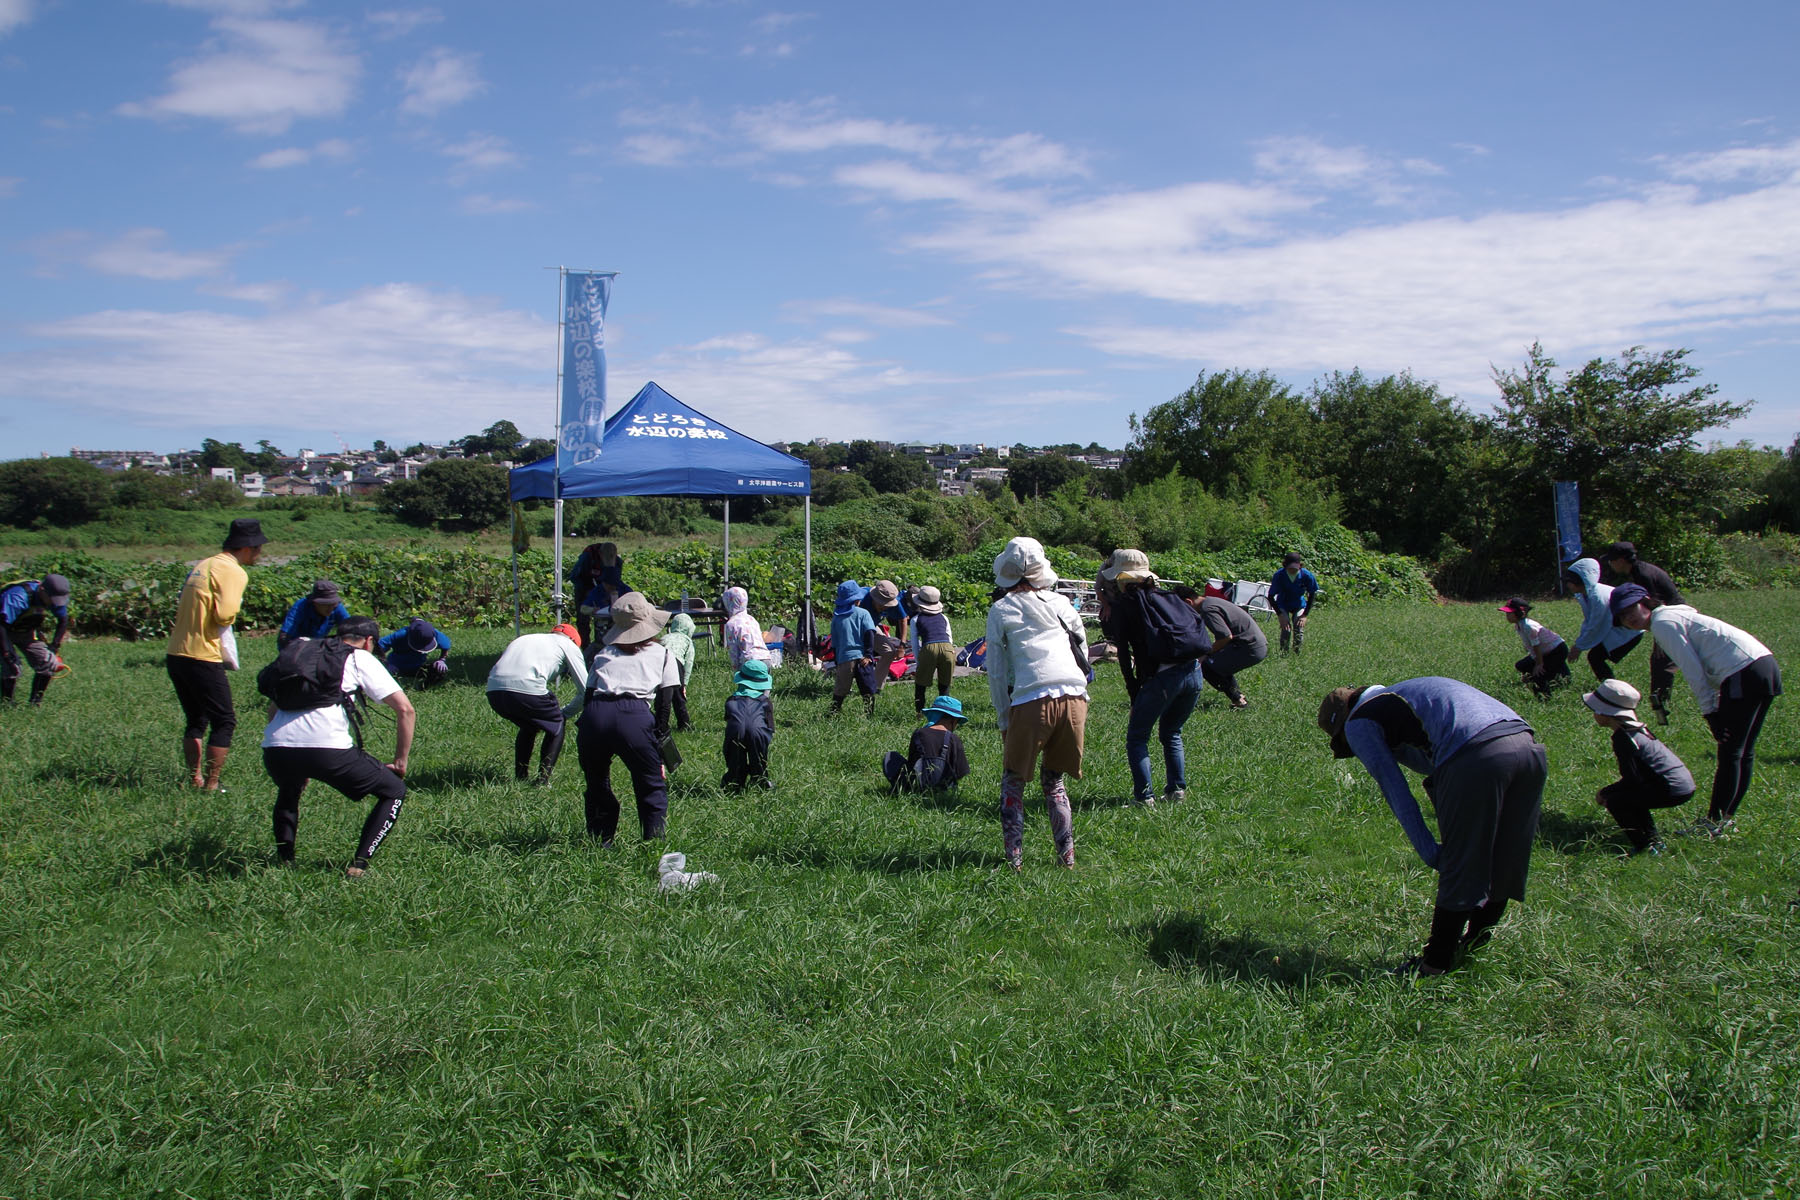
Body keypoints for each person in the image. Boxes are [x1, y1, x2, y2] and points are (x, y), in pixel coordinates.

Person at [1318, 677, 1546, 975]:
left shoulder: (1358, 721)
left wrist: (1430, 852)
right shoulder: (1404, 695)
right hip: (1526, 746)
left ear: (1343, 723)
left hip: (1478, 757)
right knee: (1504, 857)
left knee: (1460, 865)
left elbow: (1395, 789)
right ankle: (1472, 947)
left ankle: (1434, 965)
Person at [1611, 583, 1781, 836]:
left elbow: (1692, 670)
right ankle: (1724, 820)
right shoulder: (1672, 615)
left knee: (1731, 752)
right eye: (1622, 616)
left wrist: (1710, 713)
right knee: (1742, 752)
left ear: (1645, 602)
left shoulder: (1663, 622)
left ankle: (1713, 823)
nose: (1629, 618)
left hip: (1743, 672)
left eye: (1630, 609)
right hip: (1762, 665)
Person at [260, 615, 415, 878]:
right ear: (369, 641)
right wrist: (400, 761)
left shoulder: (305, 652)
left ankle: (284, 860)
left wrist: (291, 750)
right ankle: (359, 865)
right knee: (394, 791)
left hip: (275, 747)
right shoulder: (359, 657)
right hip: (328, 749)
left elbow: (272, 709)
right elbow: (405, 710)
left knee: (289, 789)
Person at [986, 536, 1088, 870]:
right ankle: (1067, 858)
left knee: (1013, 780)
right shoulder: (1062, 604)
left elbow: (996, 672)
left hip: (1032, 698)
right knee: (1054, 782)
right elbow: (1082, 649)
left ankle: (1014, 861)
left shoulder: (1002, 609)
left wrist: (1004, 720)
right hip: (1075, 697)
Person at [166, 518, 265, 790]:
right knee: (225, 720)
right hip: (202, 654)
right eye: (258, 549)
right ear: (247, 548)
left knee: (196, 719)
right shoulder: (234, 572)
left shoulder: (204, 565)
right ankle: (212, 784)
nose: (260, 554)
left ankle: (194, 778)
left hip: (176, 653)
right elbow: (224, 615)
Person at [576, 592, 681, 846]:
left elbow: (589, 695)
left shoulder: (604, 653)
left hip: (595, 714)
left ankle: (601, 840)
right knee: (650, 783)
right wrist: (659, 742)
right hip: (634, 716)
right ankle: (652, 843)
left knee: (597, 782)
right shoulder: (663, 654)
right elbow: (664, 704)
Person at [1110, 554, 1203, 807]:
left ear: (1122, 579)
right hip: (1194, 671)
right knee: (1172, 732)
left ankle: (1144, 797)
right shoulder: (1169, 597)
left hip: (1163, 679)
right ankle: (1177, 791)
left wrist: (1134, 695)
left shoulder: (1126, 605)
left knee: (1137, 738)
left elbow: (1123, 653)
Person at [1583, 678, 1695, 855]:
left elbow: (1632, 780)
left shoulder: (1623, 739)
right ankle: (1653, 840)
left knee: (1616, 801)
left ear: (1605, 713)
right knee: (1633, 797)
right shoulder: (1637, 730)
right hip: (1682, 784)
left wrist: (1605, 792)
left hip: (1671, 787)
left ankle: (1644, 846)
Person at [485, 623, 588, 785]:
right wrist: (565, 713)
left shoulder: (524, 639)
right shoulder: (568, 645)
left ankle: (521, 777)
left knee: (529, 725)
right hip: (527, 688)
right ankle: (542, 781)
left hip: (494, 692)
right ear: (574, 641)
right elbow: (587, 690)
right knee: (556, 725)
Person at [1603, 541, 1683, 723]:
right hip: (1668, 618)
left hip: (1673, 617)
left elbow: (1653, 603)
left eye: (1611, 560)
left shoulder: (1642, 574)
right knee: (1660, 660)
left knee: (1661, 661)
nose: (1610, 564)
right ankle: (1659, 703)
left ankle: (1660, 706)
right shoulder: (1639, 570)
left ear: (1621, 560)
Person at [1174, 583, 1266, 709]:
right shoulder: (1209, 601)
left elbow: (1225, 637)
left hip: (1250, 647)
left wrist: (1205, 654)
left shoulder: (1207, 610)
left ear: (1188, 602)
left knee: (1206, 665)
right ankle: (1239, 698)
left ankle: (1239, 701)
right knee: (1217, 664)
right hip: (1253, 644)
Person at [1563, 557, 1644, 682]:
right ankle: (1608, 686)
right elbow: (1589, 621)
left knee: (1595, 657)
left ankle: (1611, 688)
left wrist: (1579, 647)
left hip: (1629, 630)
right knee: (1596, 657)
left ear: (1580, 580)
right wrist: (1580, 643)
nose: (1568, 584)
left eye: (1570, 580)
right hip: (1618, 628)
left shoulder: (1598, 596)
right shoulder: (1585, 594)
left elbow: (1597, 625)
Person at [1, 572, 71, 706]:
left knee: (48, 662)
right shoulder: (18, 597)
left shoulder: (55, 596)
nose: (55, 603)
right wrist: (6, 652)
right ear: (42, 590)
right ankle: (6, 704)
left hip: (25, 632)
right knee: (12, 665)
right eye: (52, 599)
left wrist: (54, 645)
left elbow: (63, 620)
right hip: (3, 630)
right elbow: (2, 625)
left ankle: (35, 703)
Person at [883, 695, 971, 793]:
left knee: (891, 756)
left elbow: (912, 762)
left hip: (918, 784)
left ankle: (903, 788)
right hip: (943, 788)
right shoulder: (954, 739)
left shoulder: (919, 733)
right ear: (953, 720)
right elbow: (961, 772)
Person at [1095, 550, 1143, 701]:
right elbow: (1098, 588)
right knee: (1119, 640)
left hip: (1133, 605)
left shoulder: (1139, 571)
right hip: (1113, 603)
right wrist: (1106, 606)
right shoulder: (1104, 568)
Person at [722, 658, 775, 790]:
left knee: (735, 759)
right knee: (759, 759)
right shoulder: (765, 702)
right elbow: (770, 726)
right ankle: (760, 781)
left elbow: (729, 719)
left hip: (735, 732)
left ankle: (734, 783)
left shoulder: (731, 700)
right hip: (758, 733)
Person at [1499, 597, 1570, 695]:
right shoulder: (1519, 625)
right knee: (1521, 665)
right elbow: (1531, 646)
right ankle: (1561, 673)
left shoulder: (1528, 626)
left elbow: (1536, 646)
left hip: (1557, 651)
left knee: (1539, 675)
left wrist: (1539, 664)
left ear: (1520, 613)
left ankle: (1545, 696)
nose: (1507, 616)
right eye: (1506, 613)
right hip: (1545, 651)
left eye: (1509, 613)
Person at [828, 579, 879, 716]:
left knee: (841, 689)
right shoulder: (863, 613)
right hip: (863, 658)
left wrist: (837, 660)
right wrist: (868, 654)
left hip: (844, 658)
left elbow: (834, 642)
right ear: (857, 600)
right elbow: (869, 633)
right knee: (867, 689)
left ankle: (833, 713)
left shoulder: (837, 617)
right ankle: (869, 715)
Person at [908, 585, 956, 715]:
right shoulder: (944, 618)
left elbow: (914, 642)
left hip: (929, 648)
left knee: (920, 684)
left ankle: (919, 713)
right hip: (948, 648)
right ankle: (944, 713)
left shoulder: (915, 619)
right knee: (944, 684)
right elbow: (949, 638)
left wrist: (918, 661)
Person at [569, 542, 627, 648]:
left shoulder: (618, 562)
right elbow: (574, 577)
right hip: (585, 586)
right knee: (583, 620)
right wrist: (589, 591)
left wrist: (611, 589)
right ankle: (585, 645)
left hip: (605, 587)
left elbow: (616, 580)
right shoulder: (587, 558)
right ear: (600, 554)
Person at [654, 612, 697, 738]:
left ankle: (660, 725)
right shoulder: (687, 640)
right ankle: (684, 723)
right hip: (676, 662)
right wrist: (685, 684)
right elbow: (688, 663)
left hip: (660, 661)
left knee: (663, 696)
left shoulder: (666, 636)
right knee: (678, 697)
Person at [864, 579, 911, 690]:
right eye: (882, 605)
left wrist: (902, 645)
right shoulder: (862, 600)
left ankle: (876, 687)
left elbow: (903, 619)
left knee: (889, 652)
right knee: (856, 656)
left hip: (872, 625)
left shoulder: (893, 602)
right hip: (855, 627)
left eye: (888, 605)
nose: (885, 607)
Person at [1268, 551, 1319, 654]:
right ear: (1285, 565)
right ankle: (1283, 653)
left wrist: (1304, 615)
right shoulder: (1279, 575)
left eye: (1295, 568)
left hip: (1298, 604)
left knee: (1298, 627)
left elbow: (1312, 594)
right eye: (1290, 568)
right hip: (1283, 603)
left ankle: (1297, 652)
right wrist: (1280, 615)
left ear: (1300, 566)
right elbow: (1270, 596)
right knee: (1286, 628)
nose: (1292, 570)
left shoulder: (1306, 575)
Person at [378, 618, 451, 687]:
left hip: (418, 667)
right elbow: (378, 647)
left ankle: (425, 688)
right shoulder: (401, 634)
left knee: (438, 670)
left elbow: (446, 646)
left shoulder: (434, 634)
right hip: (396, 667)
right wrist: (387, 664)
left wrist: (442, 660)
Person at [276, 579, 349, 649]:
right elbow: (284, 637)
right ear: (315, 602)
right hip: (298, 645)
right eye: (326, 604)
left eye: (333, 604)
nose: (330, 608)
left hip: (319, 644)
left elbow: (351, 627)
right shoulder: (300, 606)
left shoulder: (336, 607)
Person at [721, 586, 771, 673]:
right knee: (764, 681)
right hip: (766, 658)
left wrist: (736, 670)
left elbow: (733, 650)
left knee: (747, 682)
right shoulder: (752, 619)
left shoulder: (731, 624)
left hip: (750, 661)